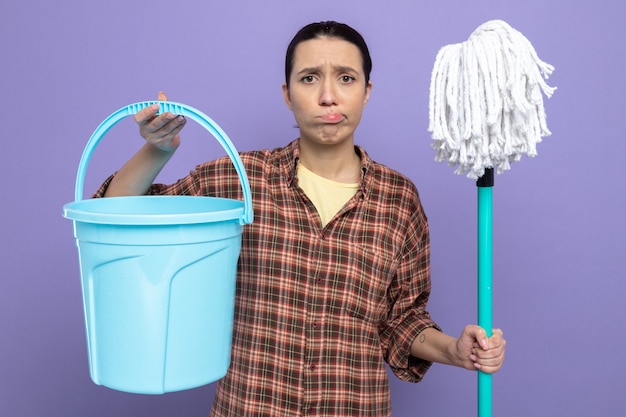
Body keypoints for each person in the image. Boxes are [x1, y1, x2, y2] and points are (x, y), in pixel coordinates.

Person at [96, 21, 505, 417]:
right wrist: (158, 150)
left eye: (346, 78)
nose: (328, 95)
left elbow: (401, 321)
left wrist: (454, 349)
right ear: (287, 94)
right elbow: (114, 216)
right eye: (309, 78)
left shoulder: (399, 200)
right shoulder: (237, 179)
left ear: (367, 92)